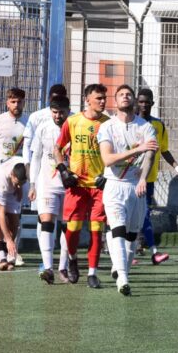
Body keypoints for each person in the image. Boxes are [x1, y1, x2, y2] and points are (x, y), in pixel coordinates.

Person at [97, 85, 158, 296]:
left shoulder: (145, 127)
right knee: (119, 231)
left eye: (128, 94)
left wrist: (143, 178)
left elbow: (150, 155)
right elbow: (107, 159)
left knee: (132, 236)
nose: (125, 97)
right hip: (114, 186)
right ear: (115, 101)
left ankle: (122, 270)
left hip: (136, 187)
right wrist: (137, 149)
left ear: (133, 100)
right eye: (121, 94)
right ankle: (122, 279)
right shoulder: (107, 127)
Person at [53, 83, 110, 289]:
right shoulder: (73, 121)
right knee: (73, 229)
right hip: (76, 185)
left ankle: (93, 273)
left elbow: (115, 154)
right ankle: (73, 259)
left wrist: (107, 175)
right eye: (99, 98)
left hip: (98, 186)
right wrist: (63, 170)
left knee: (96, 230)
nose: (103, 101)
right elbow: (57, 148)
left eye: (104, 98)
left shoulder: (109, 124)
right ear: (87, 100)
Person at [135, 88, 178, 265]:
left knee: (144, 214)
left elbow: (164, 150)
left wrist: (177, 168)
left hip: (148, 180)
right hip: (129, 178)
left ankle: (145, 250)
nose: (143, 105)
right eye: (140, 101)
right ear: (136, 102)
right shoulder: (130, 123)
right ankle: (135, 250)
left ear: (152, 103)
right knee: (133, 215)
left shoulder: (158, 125)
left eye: (146, 102)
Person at [0, 87, 30, 266]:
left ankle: (12, 251)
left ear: (24, 102)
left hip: (19, 174)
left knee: (14, 218)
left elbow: (30, 149)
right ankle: (1, 254)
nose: (16, 105)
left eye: (20, 101)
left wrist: (22, 182)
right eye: (13, 101)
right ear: (7, 102)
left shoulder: (28, 121)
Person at [28, 95, 72, 284]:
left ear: (68, 111)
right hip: (46, 182)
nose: (57, 115)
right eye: (54, 112)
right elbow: (36, 156)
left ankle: (63, 267)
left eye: (61, 112)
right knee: (46, 221)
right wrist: (32, 184)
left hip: (70, 184)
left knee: (66, 225)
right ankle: (48, 268)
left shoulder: (75, 126)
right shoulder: (43, 128)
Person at [0, 157, 28, 270]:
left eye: (21, 183)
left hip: (11, 187)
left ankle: (9, 254)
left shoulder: (26, 169)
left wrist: (19, 187)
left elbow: (19, 183)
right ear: (12, 174)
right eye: (17, 183)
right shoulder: (0, 178)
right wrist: (8, 240)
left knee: (15, 221)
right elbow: (1, 213)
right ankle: (1, 256)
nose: (19, 186)